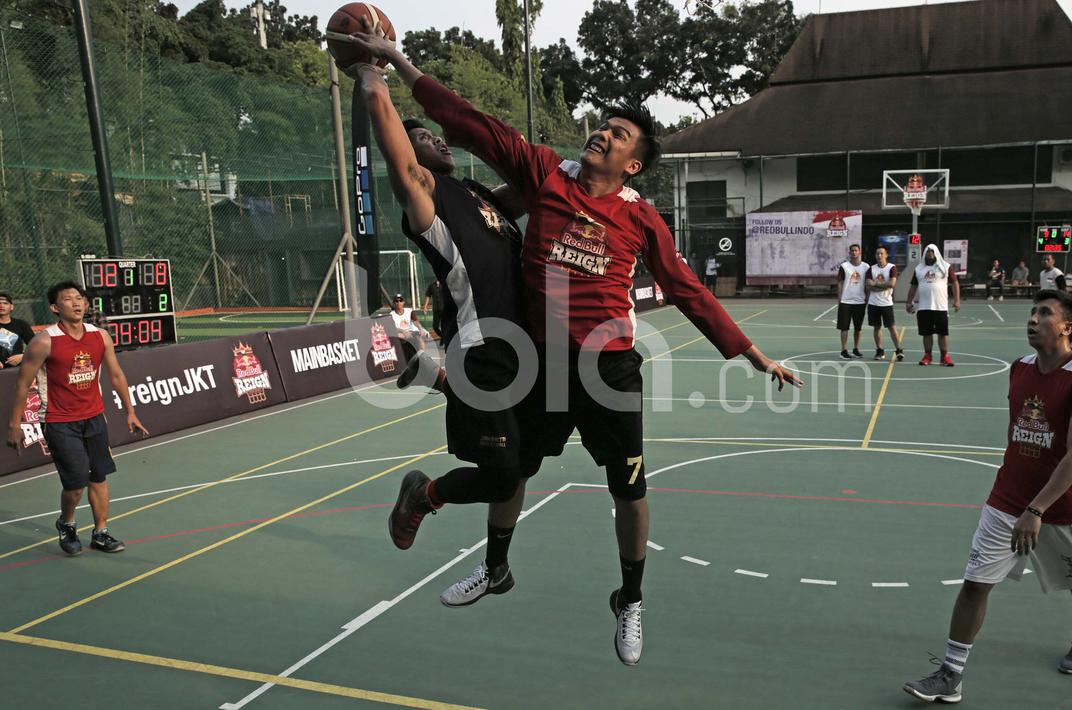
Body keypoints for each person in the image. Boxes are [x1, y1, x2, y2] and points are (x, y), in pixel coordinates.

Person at [340, 26, 803, 667]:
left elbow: (686, 287)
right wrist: (394, 60)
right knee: (514, 470)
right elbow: (469, 122)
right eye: (604, 125)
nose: (603, 133)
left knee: (629, 489)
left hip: (609, 368)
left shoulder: (641, 216)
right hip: (543, 364)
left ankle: (630, 599)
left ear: (633, 163)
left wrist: (750, 352)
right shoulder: (546, 173)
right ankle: (495, 568)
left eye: (619, 134)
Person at [351, 65, 539, 585]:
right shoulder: (426, 204)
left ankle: (435, 379)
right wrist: (372, 73)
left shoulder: (475, 193)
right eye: (421, 139)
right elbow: (397, 151)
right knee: (502, 479)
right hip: (483, 351)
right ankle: (424, 494)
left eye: (435, 134)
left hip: (525, 351)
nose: (435, 139)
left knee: (524, 464)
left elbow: (533, 187)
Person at [903, 289, 1072, 704]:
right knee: (975, 583)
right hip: (1007, 499)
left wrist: (1037, 508)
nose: (1033, 319)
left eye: (1044, 313)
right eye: (1032, 312)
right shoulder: (1020, 368)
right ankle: (951, 673)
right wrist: (1022, 503)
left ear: (1066, 328)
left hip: (1063, 505)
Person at [5, 281, 148, 556]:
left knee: (99, 477)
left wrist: (130, 411)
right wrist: (15, 424)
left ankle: (100, 533)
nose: (76, 302)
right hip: (58, 420)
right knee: (76, 482)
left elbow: (116, 374)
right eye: (68, 299)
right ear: (54, 308)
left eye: (79, 298)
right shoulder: (44, 341)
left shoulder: (100, 336)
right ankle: (67, 523)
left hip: (94, 417)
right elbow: (22, 384)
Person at [906, 244, 960, 366]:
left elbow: (955, 283)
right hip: (924, 307)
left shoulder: (945, 267)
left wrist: (957, 300)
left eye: (932, 251)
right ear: (924, 253)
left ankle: (944, 356)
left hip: (940, 307)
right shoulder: (919, 269)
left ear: (936, 253)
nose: (930, 253)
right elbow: (913, 286)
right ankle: (927, 356)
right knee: (926, 334)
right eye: (928, 251)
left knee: (942, 333)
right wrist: (909, 302)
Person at [865, 246, 904, 361]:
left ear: (886, 255)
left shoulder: (892, 268)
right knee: (876, 328)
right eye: (877, 253)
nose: (879, 256)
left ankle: (899, 350)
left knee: (891, 327)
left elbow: (891, 284)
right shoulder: (871, 269)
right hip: (873, 303)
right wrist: (884, 286)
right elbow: (868, 285)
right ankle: (880, 351)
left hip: (886, 303)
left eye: (882, 253)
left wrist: (875, 284)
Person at [836, 243, 870, 359]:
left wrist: (867, 297)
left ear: (859, 252)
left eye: (856, 250)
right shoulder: (844, 266)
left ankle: (856, 349)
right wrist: (840, 298)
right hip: (846, 301)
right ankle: (844, 350)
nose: (854, 252)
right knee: (844, 327)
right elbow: (840, 282)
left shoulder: (866, 267)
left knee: (858, 327)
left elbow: (867, 283)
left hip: (860, 301)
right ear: (849, 253)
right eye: (852, 251)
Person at [0, 291, 36, 368]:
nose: (1, 305)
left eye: (5, 303)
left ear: (11, 307)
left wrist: (23, 356)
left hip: (19, 368)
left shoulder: (21, 325)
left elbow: (37, 347)